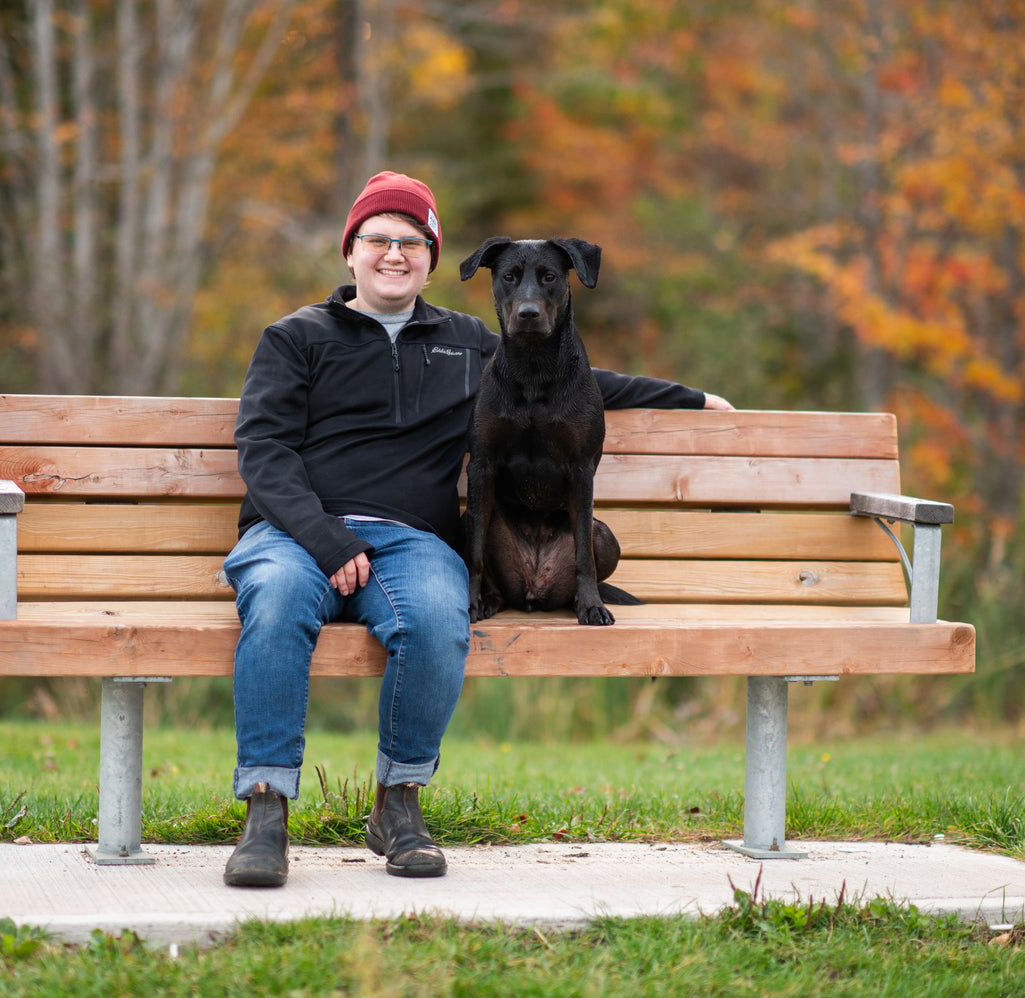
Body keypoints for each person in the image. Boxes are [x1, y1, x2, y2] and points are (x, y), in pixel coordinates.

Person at [221, 171, 733, 888]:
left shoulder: (468, 344)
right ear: (350, 252)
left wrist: (691, 398)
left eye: (411, 241)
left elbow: (580, 379)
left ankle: (398, 806)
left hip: (411, 541)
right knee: (274, 603)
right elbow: (265, 454)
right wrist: (327, 540)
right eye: (378, 239)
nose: (393, 254)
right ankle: (266, 815)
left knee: (439, 612)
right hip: (295, 534)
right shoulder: (295, 338)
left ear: (432, 258)